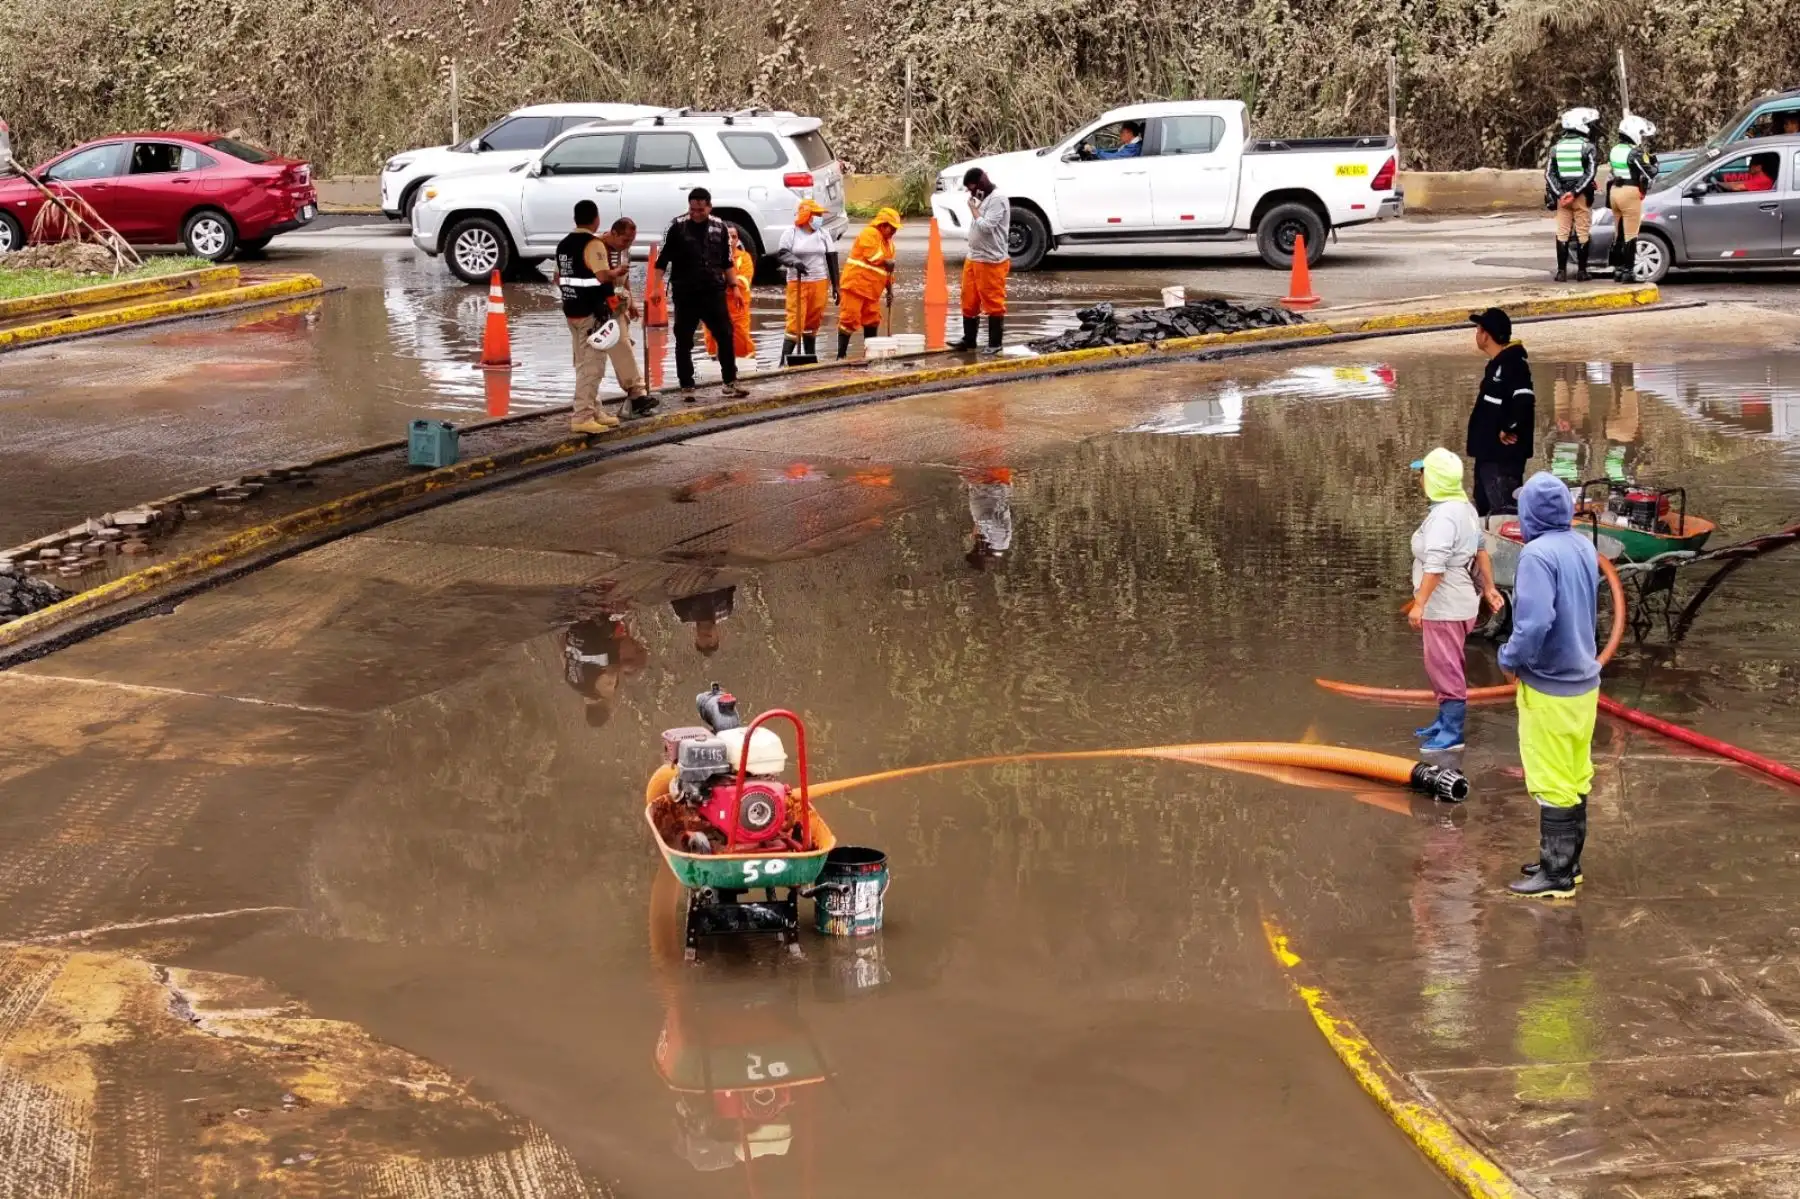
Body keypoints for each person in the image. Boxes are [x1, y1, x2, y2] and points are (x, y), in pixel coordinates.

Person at [1503, 473, 1600, 899]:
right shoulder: (1582, 545)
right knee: (1575, 773)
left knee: (1551, 779)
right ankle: (1566, 863)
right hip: (1585, 681)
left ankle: (1556, 877)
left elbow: (1535, 622)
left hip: (1550, 686)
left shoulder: (1537, 556)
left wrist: (1509, 656)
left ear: (1530, 514)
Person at [1407, 448, 1505, 752]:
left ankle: (1452, 735)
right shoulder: (1464, 508)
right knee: (1442, 663)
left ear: (1433, 480)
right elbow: (1480, 551)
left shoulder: (1444, 517)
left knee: (1445, 666)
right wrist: (1488, 588)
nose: (1419, 479)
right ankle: (1443, 720)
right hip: (1461, 602)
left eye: (1423, 473)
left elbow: (1435, 565)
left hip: (1444, 606)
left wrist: (1420, 603)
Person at [656, 188, 749, 400]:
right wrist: (655, 288)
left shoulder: (719, 227)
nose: (696, 213)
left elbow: (727, 261)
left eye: (700, 209)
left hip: (713, 291)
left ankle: (730, 381)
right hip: (685, 292)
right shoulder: (677, 227)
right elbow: (662, 260)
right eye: (692, 209)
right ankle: (686, 385)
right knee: (684, 339)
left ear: (709, 207)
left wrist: (734, 288)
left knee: (725, 335)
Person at [558, 200, 633, 434]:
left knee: (583, 364)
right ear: (596, 219)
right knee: (592, 367)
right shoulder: (593, 244)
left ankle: (594, 410)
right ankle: (582, 417)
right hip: (591, 312)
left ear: (575, 218)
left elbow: (560, 278)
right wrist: (617, 274)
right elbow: (602, 278)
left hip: (572, 310)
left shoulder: (564, 244)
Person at [1466, 307, 1535, 517]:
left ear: (1486, 335)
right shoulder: (1497, 365)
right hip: (1487, 456)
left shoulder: (1513, 363)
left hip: (1502, 460)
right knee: (1485, 510)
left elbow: (1524, 400)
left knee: (1503, 513)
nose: (1477, 335)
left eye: (1478, 329)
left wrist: (1508, 426)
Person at [777, 199, 838, 365]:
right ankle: (783, 362)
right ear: (806, 216)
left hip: (819, 281)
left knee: (813, 320)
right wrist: (794, 261)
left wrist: (836, 286)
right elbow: (782, 253)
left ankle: (810, 357)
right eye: (816, 215)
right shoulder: (791, 233)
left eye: (819, 215)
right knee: (795, 321)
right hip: (798, 282)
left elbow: (831, 258)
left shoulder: (823, 234)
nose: (819, 218)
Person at [836, 207, 902, 359]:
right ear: (883, 224)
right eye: (892, 228)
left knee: (872, 320)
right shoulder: (869, 233)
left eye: (895, 229)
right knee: (849, 319)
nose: (894, 232)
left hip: (872, 292)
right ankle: (841, 356)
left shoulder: (890, 245)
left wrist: (890, 290)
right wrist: (887, 261)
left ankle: (870, 355)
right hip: (856, 287)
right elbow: (873, 256)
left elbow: (888, 272)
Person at [957, 168, 1011, 352]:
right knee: (968, 299)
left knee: (993, 301)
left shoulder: (997, 199)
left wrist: (973, 209)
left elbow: (987, 226)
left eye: (971, 188)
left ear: (980, 184)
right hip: (973, 257)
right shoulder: (983, 199)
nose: (970, 192)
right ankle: (969, 340)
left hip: (991, 260)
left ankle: (995, 344)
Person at [1544, 108, 1601, 281]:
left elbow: (1548, 174)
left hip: (1562, 198)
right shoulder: (1588, 147)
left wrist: (1561, 194)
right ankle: (1582, 271)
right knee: (1583, 232)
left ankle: (1561, 272)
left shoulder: (1555, 149)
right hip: (1581, 197)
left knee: (1562, 232)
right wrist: (1575, 192)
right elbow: (1590, 173)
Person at [1606, 115, 1658, 283]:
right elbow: (1649, 172)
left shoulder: (1615, 150)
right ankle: (1629, 271)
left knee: (1619, 233)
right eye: (1641, 134)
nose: (1642, 138)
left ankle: (1618, 269)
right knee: (1631, 234)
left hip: (1615, 192)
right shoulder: (1634, 152)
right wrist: (1655, 164)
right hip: (1629, 193)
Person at [703, 224, 757, 364]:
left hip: (737, 305)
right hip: (714, 302)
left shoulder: (744, 258)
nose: (731, 240)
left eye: (734, 237)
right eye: (728, 237)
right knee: (712, 336)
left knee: (740, 336)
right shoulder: (711, 256)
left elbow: (744, 280)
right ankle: (716, 366)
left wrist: (725, 279)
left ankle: (744, 367)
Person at [671, 584, 735, 656]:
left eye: (705, 645)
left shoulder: (684, 614)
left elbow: (673, 590)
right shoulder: (726, 610)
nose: (708, 642)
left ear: (696, 640)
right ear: (717, 637)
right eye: (712, 644)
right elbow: (731, 583)